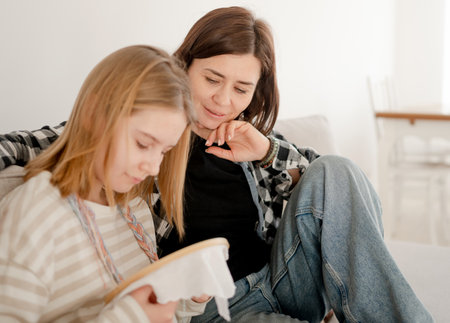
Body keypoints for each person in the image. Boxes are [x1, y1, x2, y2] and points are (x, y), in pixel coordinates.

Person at [0, 6, 433, 323]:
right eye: (211, 79)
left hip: (277, 281)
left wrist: (266, 152)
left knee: (336, 168)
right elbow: (44, 143)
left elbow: (334, 194)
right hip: (212, 307)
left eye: (241, 88)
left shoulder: (249, 137)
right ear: (185, 63)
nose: (224, 101)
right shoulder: (144, 129)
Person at [0, 45, 208, 322]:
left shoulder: (135, 207)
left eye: (164, 151)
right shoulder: (36, 213)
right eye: (143, 143)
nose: (154, 167)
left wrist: (188, 299)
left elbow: (147, 309)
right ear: (93, 114)